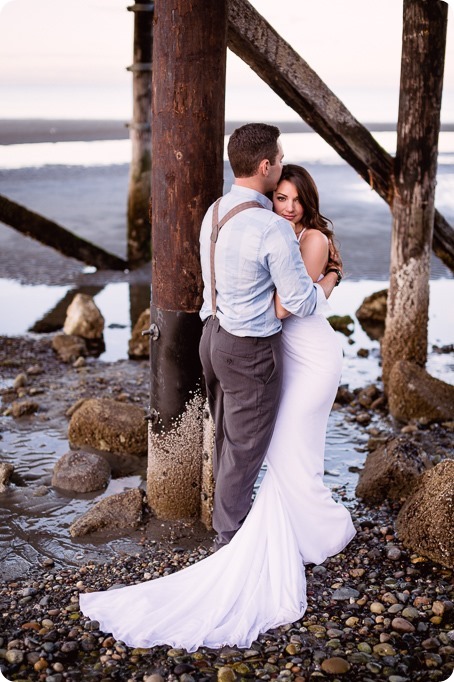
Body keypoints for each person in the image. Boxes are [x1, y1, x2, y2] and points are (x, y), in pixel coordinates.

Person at [78, 151, 356, 652]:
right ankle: (284, 528)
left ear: (309, 204)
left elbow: (290, 308)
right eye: (280, 197)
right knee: (272, 446)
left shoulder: (310, 239)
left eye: (295, 200)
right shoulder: (265, 231)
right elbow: (280, 294)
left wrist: (329, 277)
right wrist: (321, 280)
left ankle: (315, 532)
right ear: (269, 190)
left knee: (288, 445)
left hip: (309, 359)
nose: (287, 206)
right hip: (267, 353)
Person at [198, 123, 341, 551]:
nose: (281, 165)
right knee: (244, 451)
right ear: (266, 166)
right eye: (278, 160)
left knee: (228, 439)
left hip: (212, 334)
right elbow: (300, 301)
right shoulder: (269, 227)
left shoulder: (216, 211)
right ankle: (231, 543)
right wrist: (331, 277)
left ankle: (227, 525)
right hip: (248, 347)